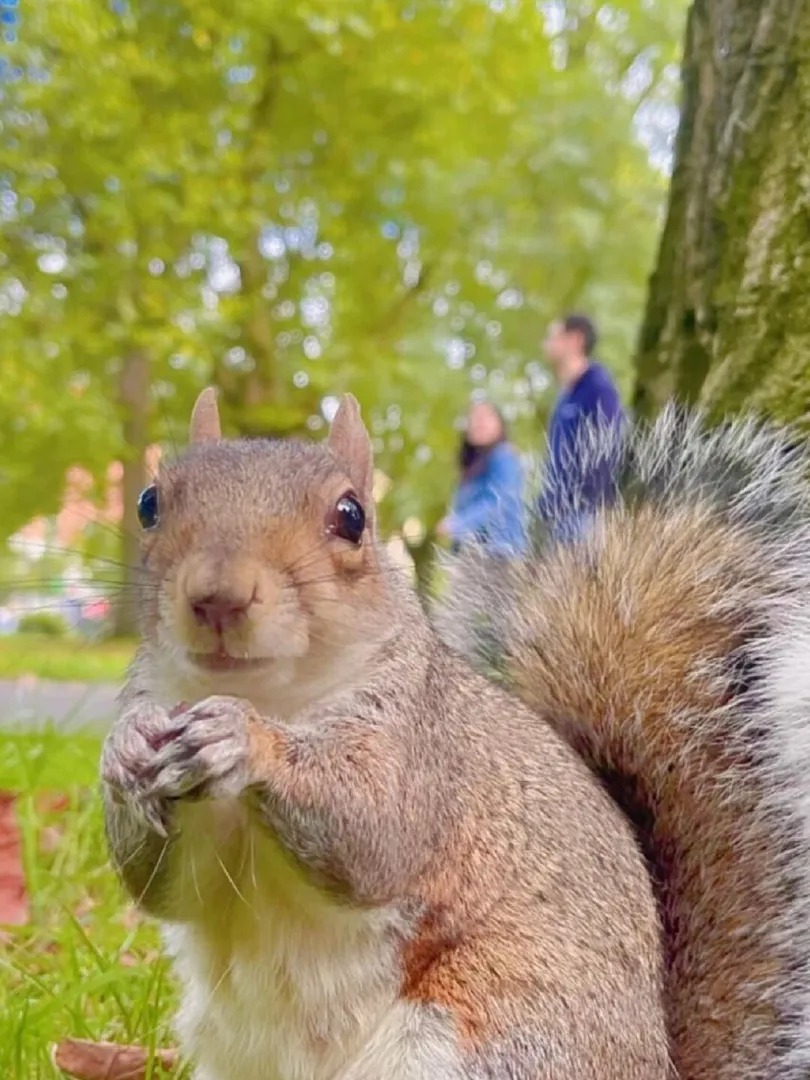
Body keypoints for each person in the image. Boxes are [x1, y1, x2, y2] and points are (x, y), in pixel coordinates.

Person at [539, 313, 625, 538]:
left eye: (554, 336)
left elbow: (606, 448)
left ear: (575, 340)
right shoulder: (565, 397)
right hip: (560, 513)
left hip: (586, 512)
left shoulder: (598, 388)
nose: (547, 343)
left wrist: (582, 496)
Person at [438, 401, 525, 554]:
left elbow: (500, 503)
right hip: (471, 556)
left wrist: (457, 524)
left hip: (499, 553)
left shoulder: (504, 456)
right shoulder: (470, 471)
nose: (479, 423)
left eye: (486, 416)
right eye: (474, 418)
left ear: (499, 424)